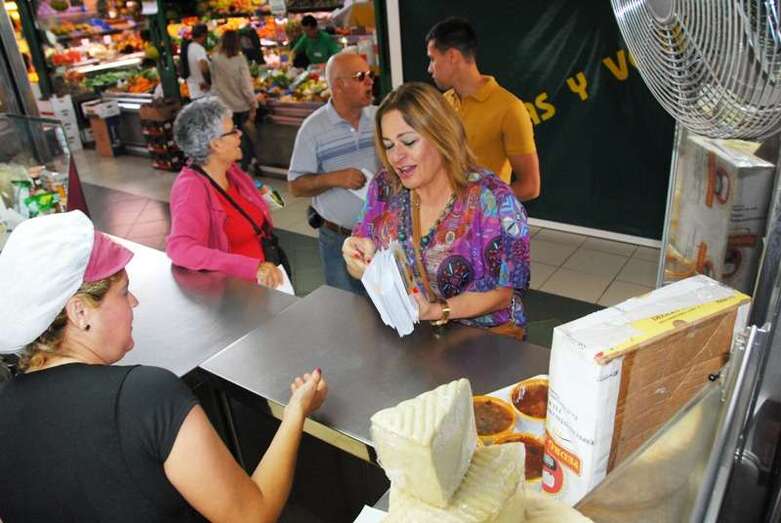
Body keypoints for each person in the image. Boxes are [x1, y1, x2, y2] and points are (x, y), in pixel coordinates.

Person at [0, 211, 327, 522]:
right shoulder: (145, 397)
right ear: (80, 312)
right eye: (123, 292)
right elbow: (251, 515)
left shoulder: (6, 403)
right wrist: (296, 412)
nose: (134, 302)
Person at [342, 82, 531, 339]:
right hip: (413, 336)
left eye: (408, 142)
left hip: (484, 340)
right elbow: (360, 256)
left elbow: (503, 294)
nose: (396, 157)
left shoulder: (493, 200)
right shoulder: (385, 187)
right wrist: (356, 255)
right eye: (388, 145)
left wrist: (436, 311)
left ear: (442, 136)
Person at [167, 96, 284, 288]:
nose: (240, 134)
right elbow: (180, 249)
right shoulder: (191, 188)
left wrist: (263, 194)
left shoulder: (232, 172)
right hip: (232, 293)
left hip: (264, 285)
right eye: (233, 130)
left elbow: (269, 205)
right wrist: (251, 267)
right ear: (215, 144)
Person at [288, 51, 378, 294]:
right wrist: (334, 178)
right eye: (361, 77)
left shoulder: (380, 118)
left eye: (370, 75)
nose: (370, 82)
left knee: (387, 308)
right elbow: (295, 186)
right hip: (339, 240)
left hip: (382, 236)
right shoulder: (313, 129)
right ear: (338, 85)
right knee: (345, 307)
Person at [425, 17, 541, 202]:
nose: (429, 69)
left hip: (486, 219)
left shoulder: (510, 108)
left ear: (452, 56)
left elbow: (530, 186)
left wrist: (478, 206)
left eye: (432, 59)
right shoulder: (442, 104)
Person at [210, 29, 258, 172]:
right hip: (241, 105)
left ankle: (236, 164)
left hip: (224, 105)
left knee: (230, 135)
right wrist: (253, 103)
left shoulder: (215, 59)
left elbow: (214, 84)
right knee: (244, 135)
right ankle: (248, 162)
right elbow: (246, 85)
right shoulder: (239, 59)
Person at [182, 24, 211, 100]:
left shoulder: (188, 48)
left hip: (194, 92)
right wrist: (209, 83)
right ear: (204, 35)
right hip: (204, 93)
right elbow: (203, 66)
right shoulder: (198, 48)